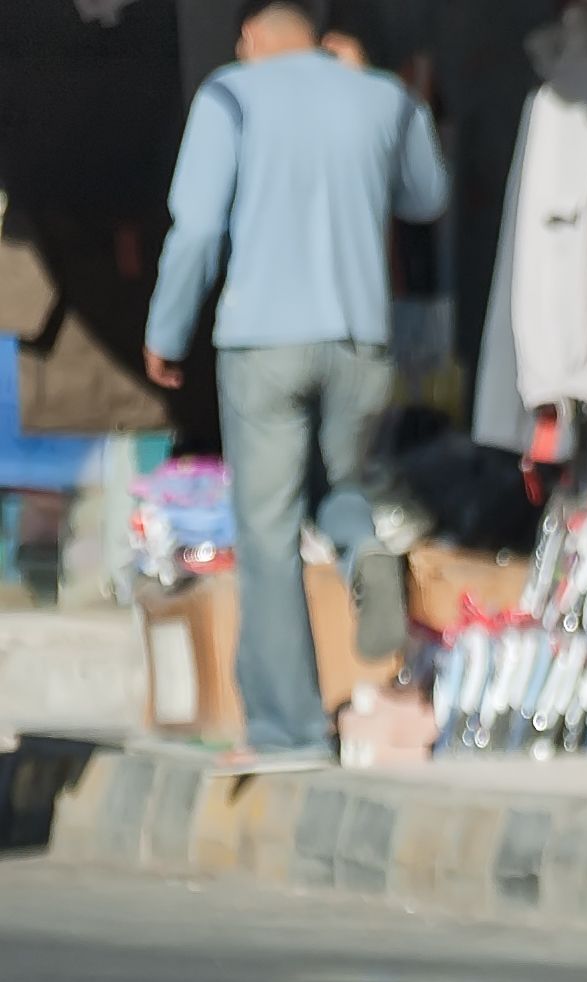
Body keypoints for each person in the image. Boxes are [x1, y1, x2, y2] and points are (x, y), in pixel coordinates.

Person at [144, 1, 448, 772]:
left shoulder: (231, 95)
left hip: (264, 344)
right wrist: (377, 93)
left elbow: (199, 229)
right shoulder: (383, 95)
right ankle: (360, 549)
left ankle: (288, 730)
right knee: (336, 484)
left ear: (251, 36)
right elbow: (427, 198)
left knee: (268, 533)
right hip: (360, 343)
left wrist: (166, 330)